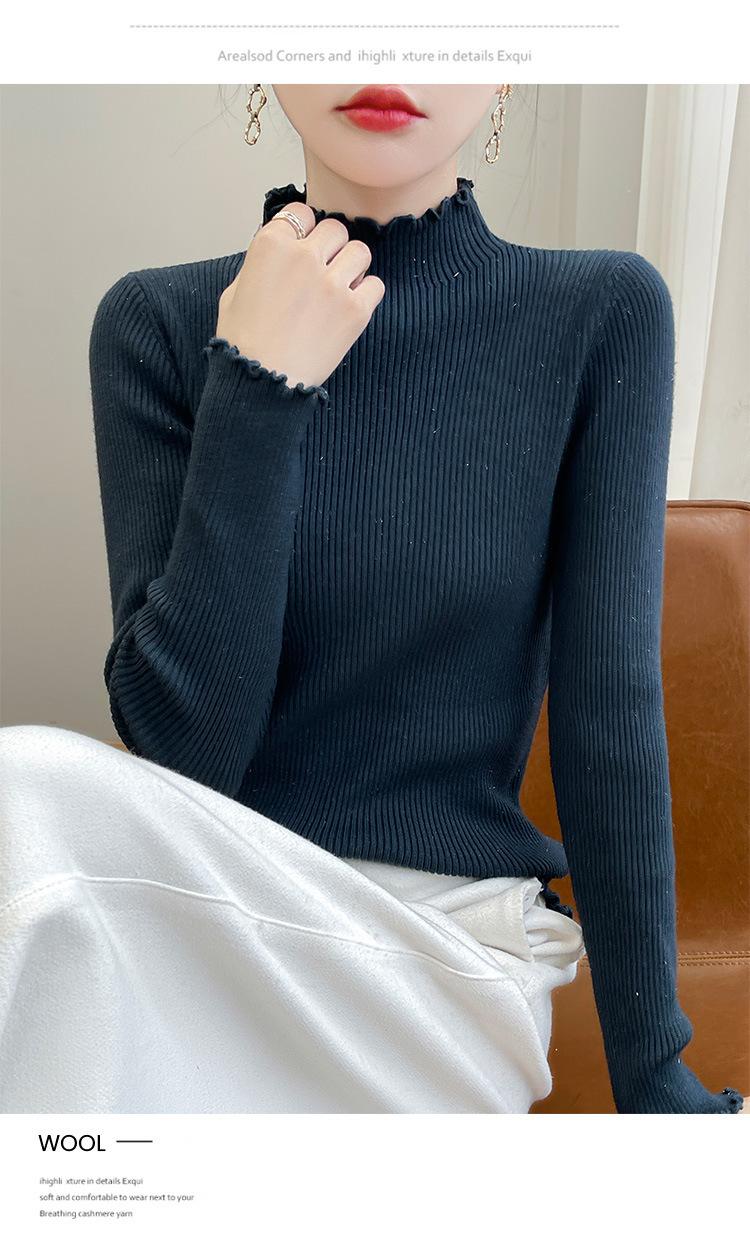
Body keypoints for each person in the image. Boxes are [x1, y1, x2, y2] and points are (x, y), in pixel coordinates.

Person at [0, 84, 744, 1115]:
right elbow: (186, 755)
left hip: (443, 959)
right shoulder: (158, 324)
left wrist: (657, 1080)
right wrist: (258, 381)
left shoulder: (600, 312)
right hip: (206, 927)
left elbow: (607, 716)